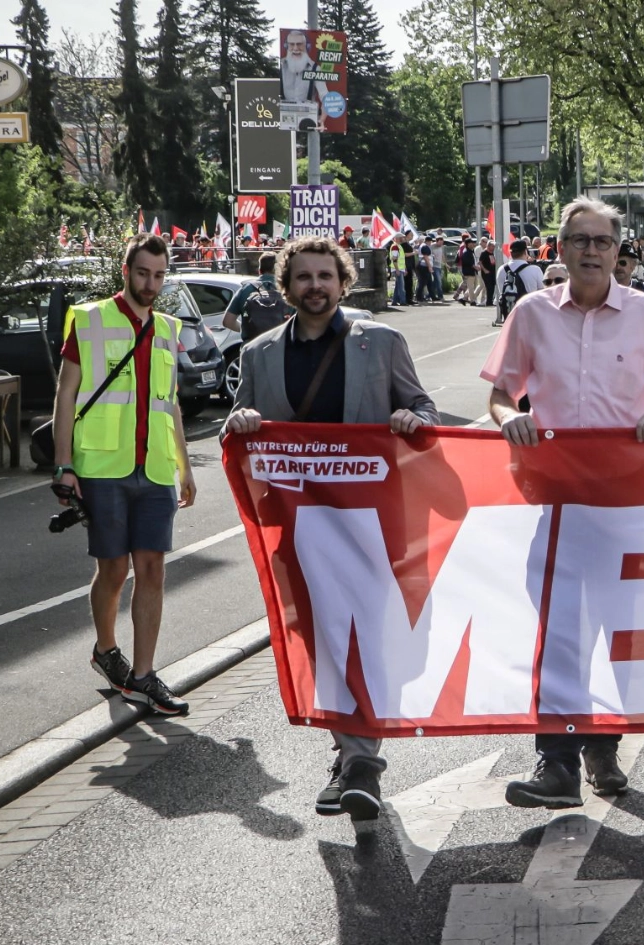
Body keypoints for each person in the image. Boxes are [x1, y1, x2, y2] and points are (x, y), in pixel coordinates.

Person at [483, 198, 644, 811]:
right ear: (559, 249)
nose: (589, 250)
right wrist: (510, 420)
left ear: (617, 250)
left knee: (620, 633)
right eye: (577, 240)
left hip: (632, 507)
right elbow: (503, 395)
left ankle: (602, 747)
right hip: (555, 506)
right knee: (559, 636)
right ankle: (555, 764)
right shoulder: (531, 313)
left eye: (601, 241)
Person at [223, 237, 437, 831]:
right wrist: (237, 423)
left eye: (326, 276)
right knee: (321, 639)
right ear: (286, 287)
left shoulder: (382, 342)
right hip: (298, 527)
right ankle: (348, 756)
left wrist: (413, 419)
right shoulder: (261, 353)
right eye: (303, 277)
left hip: (372, 521)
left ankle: (360, 762)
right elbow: (238, 429)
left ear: (343, 283)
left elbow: (427, 411)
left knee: (366, 634)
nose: (315, 286)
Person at [50, 233, 196, 717]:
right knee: (114, 569)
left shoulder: (170, 329)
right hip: (102, 467)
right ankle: (106, 651)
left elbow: (169, 403)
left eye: (159, 275)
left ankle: (144, 676)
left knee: (153, 567)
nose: (151, 284)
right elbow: (66, 395)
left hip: (153, 469)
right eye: (143, 273)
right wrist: (65, 466)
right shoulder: (90, 321)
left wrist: (185, 466)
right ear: (125, 270)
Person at [223, 251, 294, 344]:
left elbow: (227, 321)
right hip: (280, 348)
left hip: (251, 347)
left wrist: (246, 330)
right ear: (279, 270)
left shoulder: (246, 288)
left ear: (259, 270)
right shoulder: (287, 290)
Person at [493, 238, 546, 327]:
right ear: (526, 252)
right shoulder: (535, 270)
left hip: (509, 315)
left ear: (511, 253)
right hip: (530, 314)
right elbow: (542, 293)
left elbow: (501, 291)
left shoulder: (501, 270)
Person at [455, 236, 480, 305]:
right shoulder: (466, 253)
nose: (473, 244)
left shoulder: (471, 252)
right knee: (471, 287)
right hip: (469, 272)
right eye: (471, 243)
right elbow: (468, 262)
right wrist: (475, 267)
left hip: (473, 272)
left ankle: (464, 298)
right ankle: (472, 301)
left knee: (472, 287)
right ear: (467, 244)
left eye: (473, 243)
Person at [478, 238, 498, 308]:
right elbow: (480, 262)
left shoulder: (492, 253)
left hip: (493, 272)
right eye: (492, 246)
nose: (493, 248)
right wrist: (484, 270)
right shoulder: (484, 253)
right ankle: (488, 302)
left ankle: (490, 301)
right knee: (489, 287)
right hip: (486, 273)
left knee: (492, 287)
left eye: (494, 246)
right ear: (488, 246)